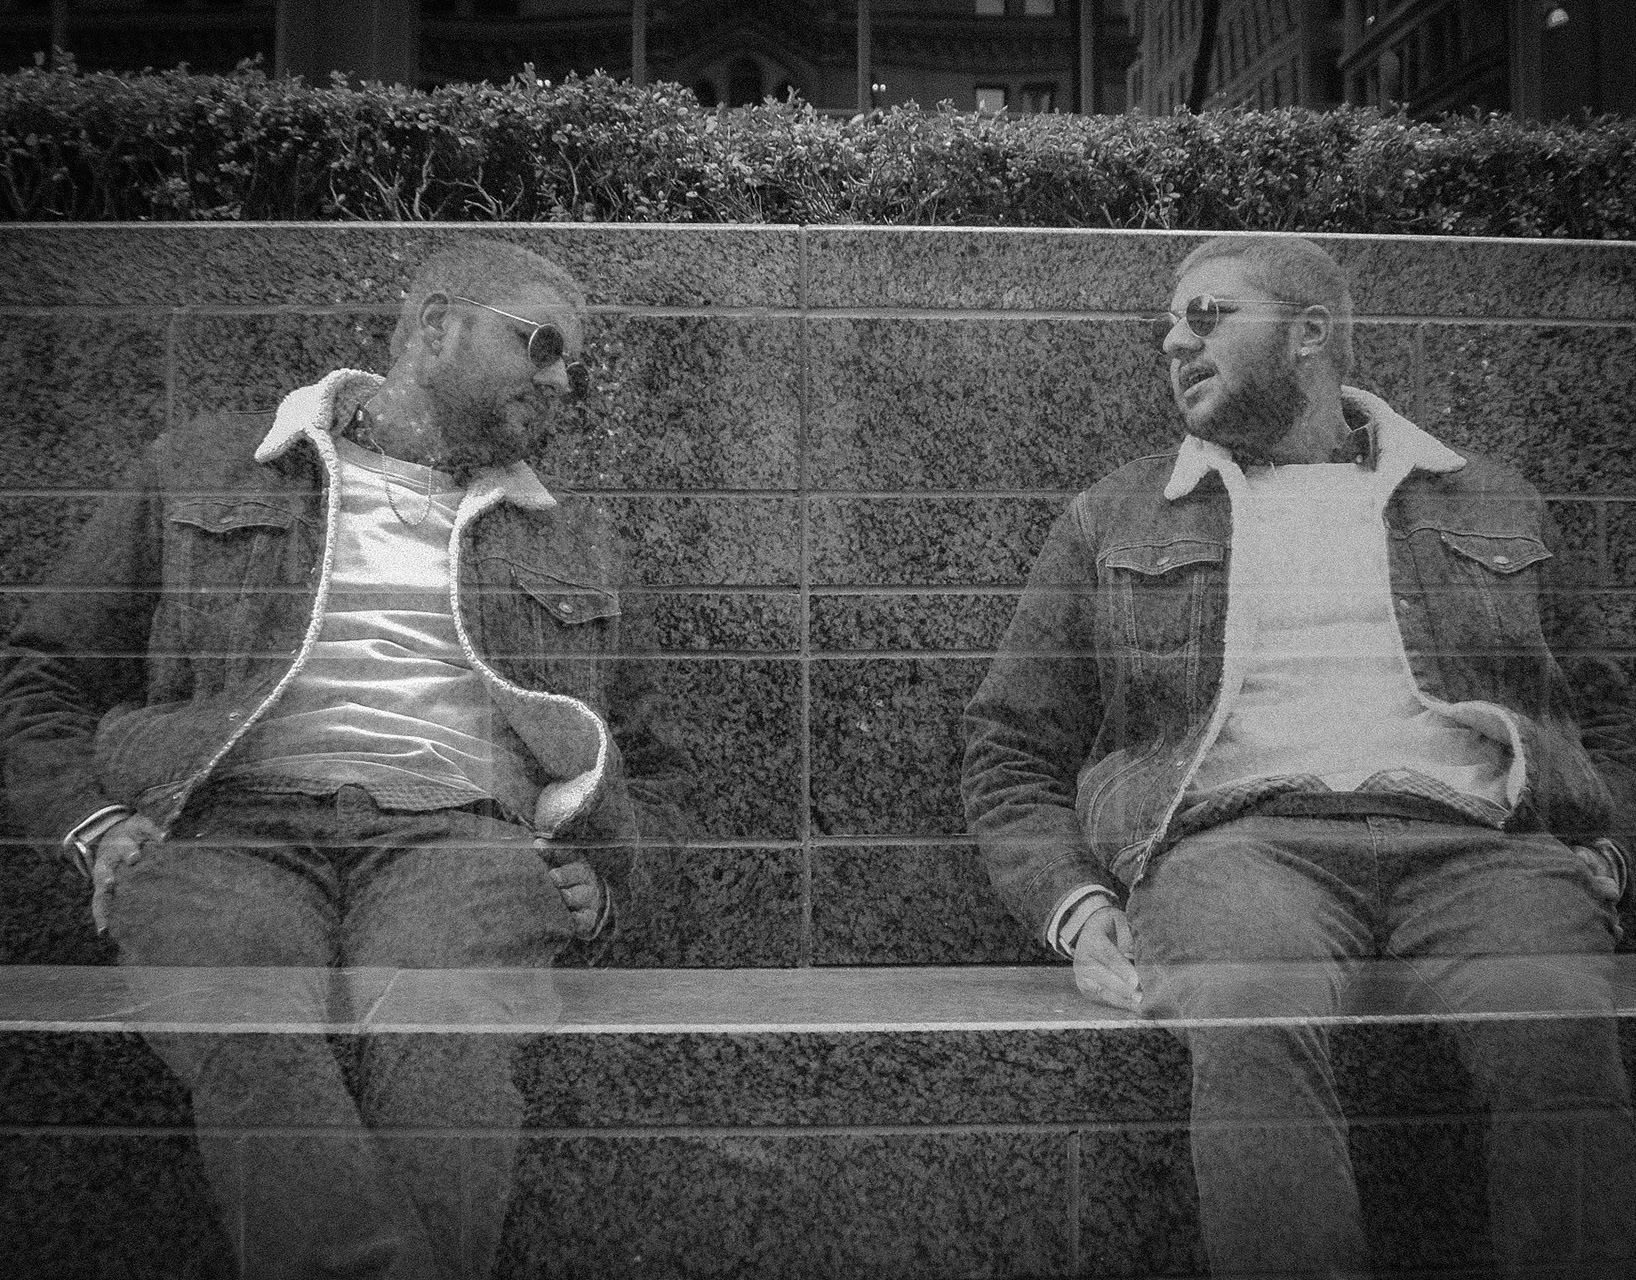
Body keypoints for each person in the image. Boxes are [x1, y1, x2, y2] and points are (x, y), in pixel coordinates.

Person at [0, 239, 689, 1279]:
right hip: (226, 826)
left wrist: (613, 875)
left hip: (460, 838)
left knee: (442, 1042)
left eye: (571, 366)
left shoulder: (570, 537)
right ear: (436, 326)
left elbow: (662, 760)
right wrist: (92, 824)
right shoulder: (208, 465)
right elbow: (43, 671)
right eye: (543, 345)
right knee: (244, 1022)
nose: (560, 381)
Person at [961, 234, 1636, 1279]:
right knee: (1249, 1004)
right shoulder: (1117, 515)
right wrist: (1077, 907)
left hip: (1481, 846)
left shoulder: (1491, 500)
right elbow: (1010, 743)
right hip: (1242, 847)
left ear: (1309, 332)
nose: (1174, 342)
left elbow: (1610, 717)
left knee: (1556, 1027)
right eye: (1168, 325)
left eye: (1207, 314)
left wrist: (1612, 847)